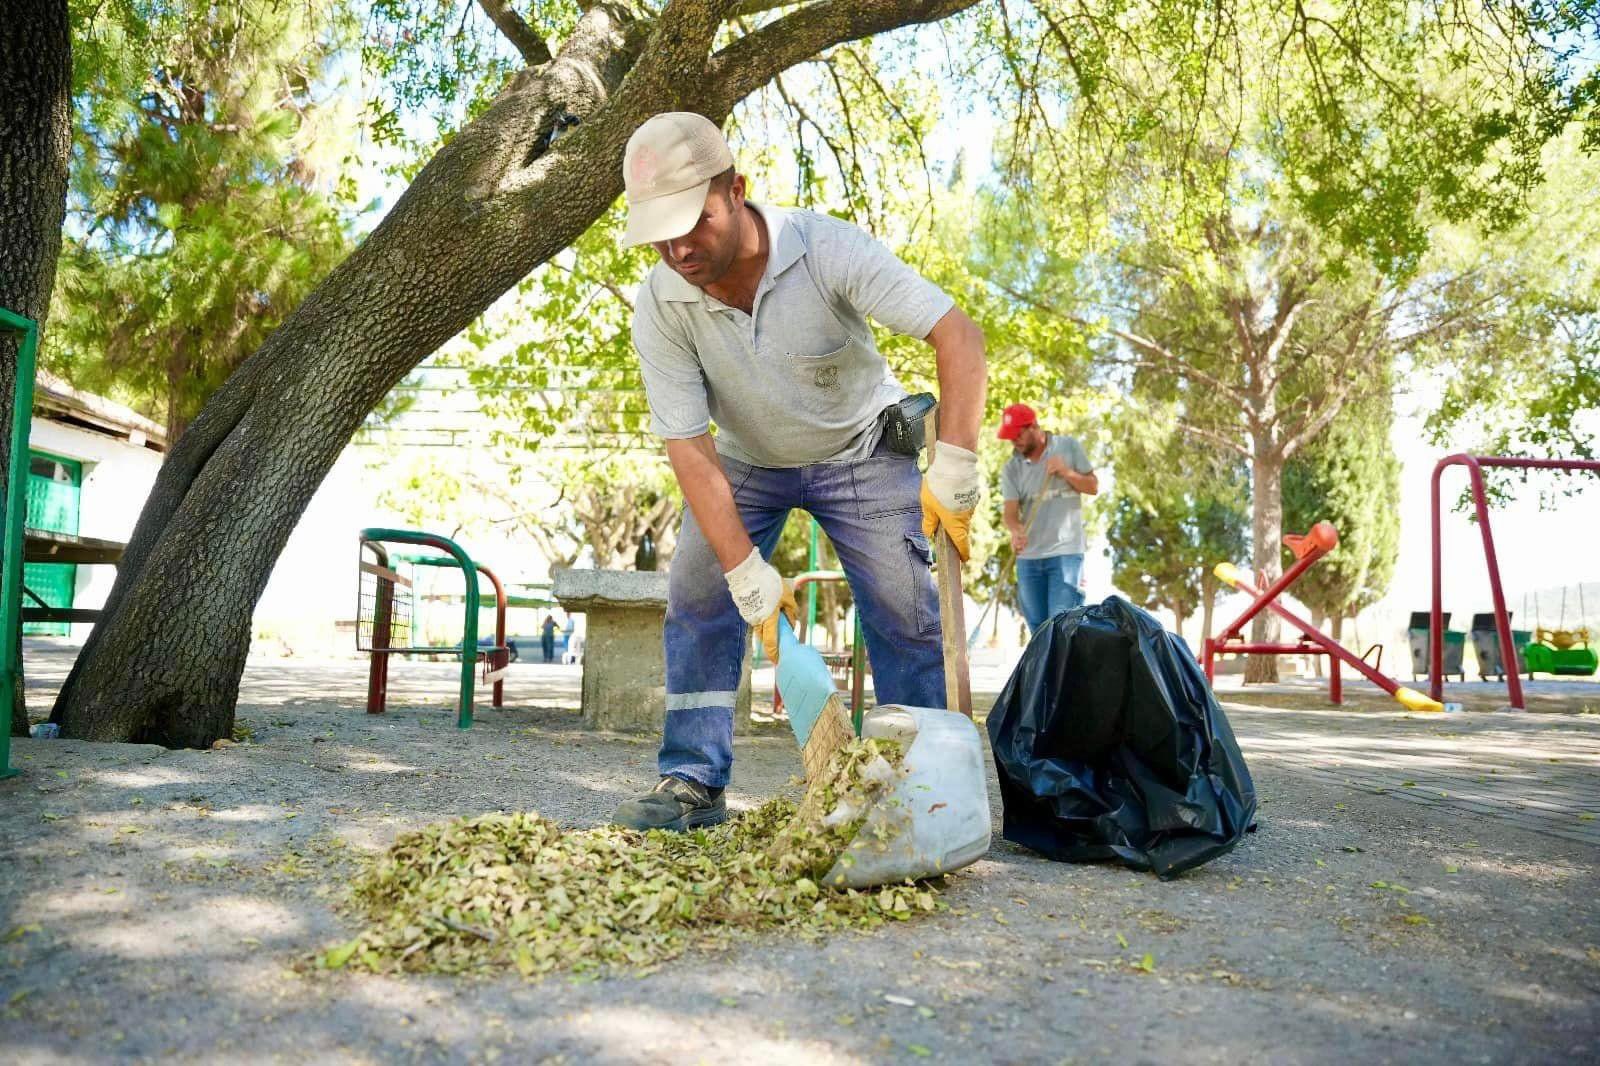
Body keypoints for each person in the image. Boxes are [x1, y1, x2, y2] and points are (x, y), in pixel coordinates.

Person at [610, 112, 987, 831]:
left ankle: (927, 786)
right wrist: (745, 572)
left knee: (905, 613)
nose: (679, 247)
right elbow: (691, 446)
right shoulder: (661, 302)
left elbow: (956, 334)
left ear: (737, 191)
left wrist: (957, 461)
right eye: (660, 232)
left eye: (695, 222)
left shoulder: (823, 249)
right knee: (696, 592)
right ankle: (692, 777)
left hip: (861, 453)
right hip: (748, 461)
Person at [998, 403, 1098, 633]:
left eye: (1018, 435)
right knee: (1038, 630)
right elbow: (1010, 512)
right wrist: (1016, 530)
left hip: (1065, 555)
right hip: (1029, 558)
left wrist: (1066, 472)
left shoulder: (1068, 447)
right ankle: (1044, 670)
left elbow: (1093, 486)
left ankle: (1066, 670)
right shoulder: (1011, 468)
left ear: (1033, 426)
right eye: (1010, 438)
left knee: (1063, 627)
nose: (1014, 442)